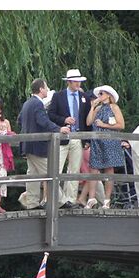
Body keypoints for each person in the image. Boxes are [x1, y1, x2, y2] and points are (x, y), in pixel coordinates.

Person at [18, 78, 72, 210]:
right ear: (41, 89)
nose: (48, 89)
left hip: (28, 145)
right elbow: (43, 121)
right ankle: (61, 201)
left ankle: (32, 202)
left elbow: (20, 120)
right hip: (37, 145)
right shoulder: (37, 104)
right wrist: (59, 129)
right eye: (46, 87)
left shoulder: (27, 103)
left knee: (33, 175)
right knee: (50, 173)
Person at [48, 69, 91, 206]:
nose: (78, 83)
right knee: (57, 168)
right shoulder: (58, 96)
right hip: (63, 136)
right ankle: (57, 199)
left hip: (78, 136)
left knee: (74, 170)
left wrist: (87, 139)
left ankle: (70, 199)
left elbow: (86, 119)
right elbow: (50, 115)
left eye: (79, 81)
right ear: (69, 82)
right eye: (75, 81)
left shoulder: (84, 97)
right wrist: (64, 119)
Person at [85, 85, 125, 209]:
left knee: (109, 169)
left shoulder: (114, 107)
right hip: (97, 141)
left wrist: (104, 125)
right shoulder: (98, 108)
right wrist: (92, 107)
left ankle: (107, 199)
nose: (99, 96)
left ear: (108, 95)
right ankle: (91, 198)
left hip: (109, 141)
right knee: (93, 168)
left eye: (101, 94)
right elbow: (88, 122)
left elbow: (121, 125)